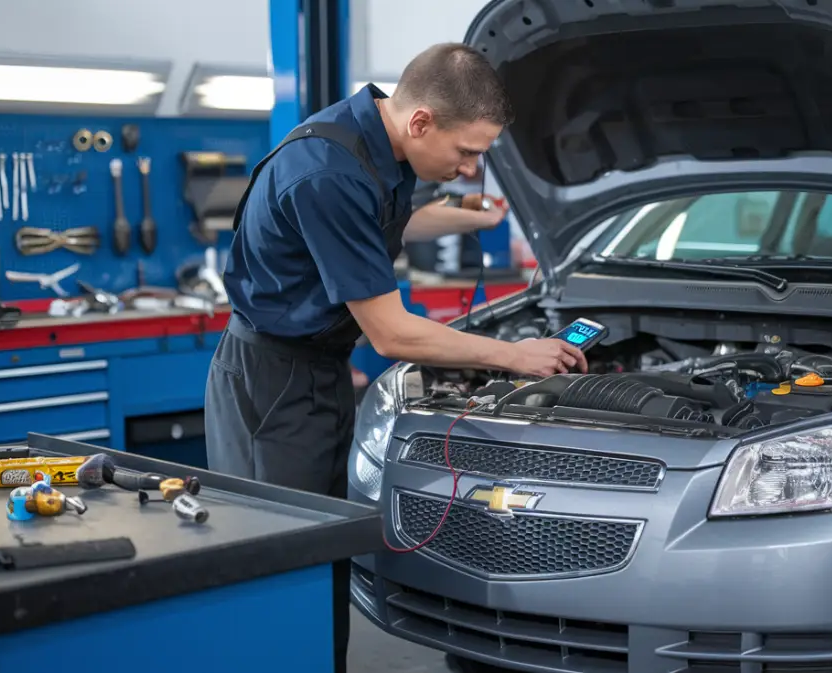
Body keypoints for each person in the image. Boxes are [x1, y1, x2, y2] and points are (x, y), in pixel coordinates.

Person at [204, 43, 588, 673]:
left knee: (323, 550)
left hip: (320, 369)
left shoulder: (381, 143)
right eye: (467, 152)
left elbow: (386, 224)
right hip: (270, 383)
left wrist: (462, 218)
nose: (470, 168)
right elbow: (390, 334)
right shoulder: (328, 170)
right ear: (422, 121)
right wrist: (514, 356)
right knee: (276, 564)